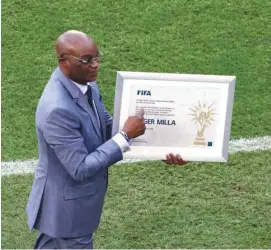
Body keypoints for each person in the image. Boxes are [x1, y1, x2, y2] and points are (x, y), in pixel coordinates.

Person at [26, 30, 187, 249]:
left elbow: (105, 126)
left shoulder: (85, 82)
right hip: (68, 215)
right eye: (87, 60)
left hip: (62, 211)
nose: (95, 65)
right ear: (64, 62)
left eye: (96, 57)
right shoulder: (57, 110)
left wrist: (160, 147)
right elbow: (80, 168)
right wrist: (126, 136)